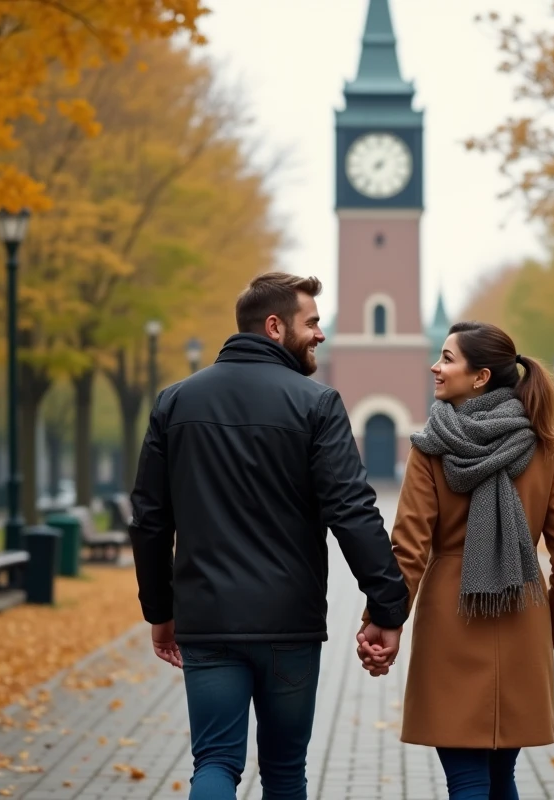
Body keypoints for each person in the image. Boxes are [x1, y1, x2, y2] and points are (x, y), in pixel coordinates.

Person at [129, 272, 410, 800]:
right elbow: (352, 511)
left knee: (215, 762)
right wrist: (387, 608)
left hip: (207, 617)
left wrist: (160, 611)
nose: (321, 334)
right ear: (275, 326)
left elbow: (149, 518)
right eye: (312, 323)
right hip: (289, 622)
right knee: (284, 770)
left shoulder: (175, 402)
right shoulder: (317, 403)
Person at [357, 321, 554, 800]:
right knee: (501, 778)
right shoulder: (542, 447)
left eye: (447, 358)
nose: (434, 366)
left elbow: (409, 550)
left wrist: (383, 621)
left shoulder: (431, 449)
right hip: (523, 615)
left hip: (450, 626)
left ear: (480, 377)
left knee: (467, 780)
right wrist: (546, 629)